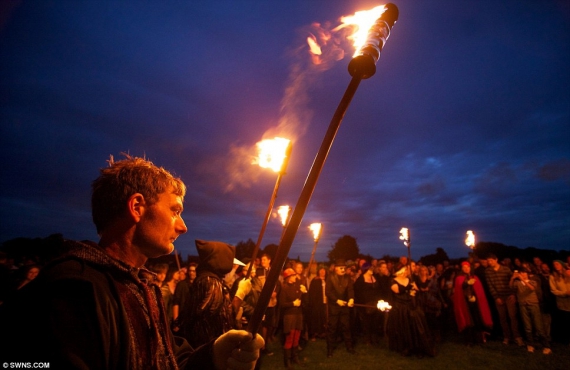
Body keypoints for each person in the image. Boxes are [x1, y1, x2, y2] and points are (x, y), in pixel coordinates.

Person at [0, 155, 263, 369]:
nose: (183, 227)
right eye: (175, 210)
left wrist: (214, 356)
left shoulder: (141, 286)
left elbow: (166, 360)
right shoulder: (74, 289)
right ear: (137, 206)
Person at [179, 239, 235, 349]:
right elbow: (210, 313)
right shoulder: (211, 281)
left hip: (201, 342)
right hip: (208, 343)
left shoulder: (205, 277)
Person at [386, 265, 436, 357]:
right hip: (400, 307)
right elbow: (397, 290)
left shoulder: (410, 280)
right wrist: (409, 287)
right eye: (404, 270)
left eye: (407, 271)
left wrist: (413, 291)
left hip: (411, 305)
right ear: (399, 271)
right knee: (403, 327)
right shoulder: (393, 281)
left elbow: (416, 290)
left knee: (415, 325)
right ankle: (404, 347)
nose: (406, 272)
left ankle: (417, 346)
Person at [485, 254, 524, 346]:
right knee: (503, 318)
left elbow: (513, 281)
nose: (490, 262)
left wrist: (514, 294)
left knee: (512, 317)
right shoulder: (488, 271)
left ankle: (517, 337)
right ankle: (507, 336)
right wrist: (496, 297)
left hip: (509, 296)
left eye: (491, 260)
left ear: (496, 260)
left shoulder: (506, 269)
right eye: (488, 261)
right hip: (499, 297)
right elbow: (490, 286)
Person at [510, 267, 551, 354]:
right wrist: (513, 278)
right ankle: (530, 345)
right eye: (521, 273)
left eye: (524, 273)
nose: (523, 275)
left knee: (538, 326)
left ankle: (546, 346)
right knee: (527, 326)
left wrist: (524, 280)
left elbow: (532, 288)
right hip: (523, 306)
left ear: (527, 274)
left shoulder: (533, 281)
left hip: (533, 305)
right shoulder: (517, 283)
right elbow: (510, 286)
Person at [453, 261, 492, 345]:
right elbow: (460, 289)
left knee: (477, 319)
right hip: (465, 303)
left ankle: (479, 339)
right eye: (464, 267)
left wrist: (475, 297)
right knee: (469, 321)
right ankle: (469, 340)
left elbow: (479, 290)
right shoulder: (459, 278)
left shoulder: (475, 277)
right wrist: (467, 283)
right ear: (462, 269)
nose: (466, 269)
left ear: (470, 268)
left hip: (476, 303)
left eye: (467, 267)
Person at [325, 259, 355, 357]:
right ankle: (330, 349)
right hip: (334, 307)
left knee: (346, 327)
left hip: (345, 307)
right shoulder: (330, 277)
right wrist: (337, 300)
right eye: (341, 268)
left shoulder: (347, 278)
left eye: (344, 268)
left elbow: (350, 290)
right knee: (332, 328)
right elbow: (328, 292)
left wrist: (351, 299)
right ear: (336, 269)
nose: (343, 270)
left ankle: (349, 347)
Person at [280, 268, 305, 368]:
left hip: (298, 314)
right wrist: (292, 304)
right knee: (289, 338)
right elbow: (282, 304)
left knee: (296, 337)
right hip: (289, 316)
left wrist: (303, 291)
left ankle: (295, 357)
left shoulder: (297, 286)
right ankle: (287, 361)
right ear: (288, 277)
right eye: (293, 275)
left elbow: (301, 299)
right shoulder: (284, 288)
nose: (295, 277)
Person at [354, 262, 381, 345]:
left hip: (375, 303)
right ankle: (367, 339)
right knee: (366, 322)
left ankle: (374, 338)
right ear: (366, 269)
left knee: (375, 321)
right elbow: (357, 292)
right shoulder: (360, 279)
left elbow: (378, 290)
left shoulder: (374, 278)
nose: (372, 270)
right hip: (365, 304)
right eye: (370, 268)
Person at [549, 260, 570, 345]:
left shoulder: (568, 273)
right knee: (565, 322)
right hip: (562, 303)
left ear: (561, 265)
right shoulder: (553, 276)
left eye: (557, 264)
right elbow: (553, 290)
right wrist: (564, 293)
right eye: (554, 264)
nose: (556, 266)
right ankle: (566, 339)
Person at [307, 267, 328, 341]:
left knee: (324, 318)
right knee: (316, 318)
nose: (322, 272)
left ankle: (323, 333)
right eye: (321, 271)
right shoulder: (315, 280)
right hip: (317, 303)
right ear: (318, 272)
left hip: (326, 303)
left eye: (324, 271)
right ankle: (314, 333)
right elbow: (312, 292)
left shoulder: (327, 280)